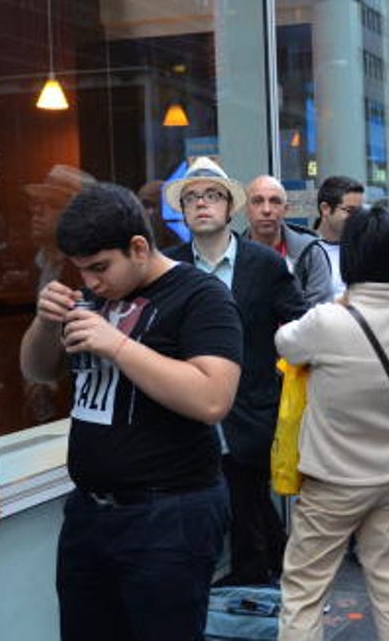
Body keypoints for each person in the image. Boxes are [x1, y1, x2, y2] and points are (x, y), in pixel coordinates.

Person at [20, 183, 243, 640]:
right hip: (90, 513)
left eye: (100, 267)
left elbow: (213, 398)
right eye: (81, 270)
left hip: (169, 513)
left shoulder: (200, 295)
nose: (91, 282)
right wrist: (44, 323)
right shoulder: (93, 296)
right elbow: (38, 370)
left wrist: (118, 345)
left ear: (138, 247)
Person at [275, 206, 389, 641]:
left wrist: (338, 306)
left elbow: (284, 342)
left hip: (333, 481)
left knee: (304, 590)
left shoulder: (326, 320)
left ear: (350, 259)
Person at [162, 159, 306, 586]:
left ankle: (253, 585)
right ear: (183, 211)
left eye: (212, 195)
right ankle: (263, 571)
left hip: (251, 409)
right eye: (191, 198)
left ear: (229, 208)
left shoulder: (264, 264)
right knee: (222, 506)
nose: (201, 204)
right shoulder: (169, 268)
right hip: (189, 413)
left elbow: (298, 325)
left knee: (246, 499)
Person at [243, 175, 334, 307]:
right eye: (257, 201)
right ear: (246, 209)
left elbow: (320, 314)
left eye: (275, 201)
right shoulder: (234, 253)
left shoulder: (310, 252)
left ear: (285, 209)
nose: (266, 210)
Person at [313, 175, 365, 297]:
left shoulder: (363, 248)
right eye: (350, 211)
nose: (357, 217)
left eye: (360, 211)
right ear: (325, 209)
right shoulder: (307, 251)